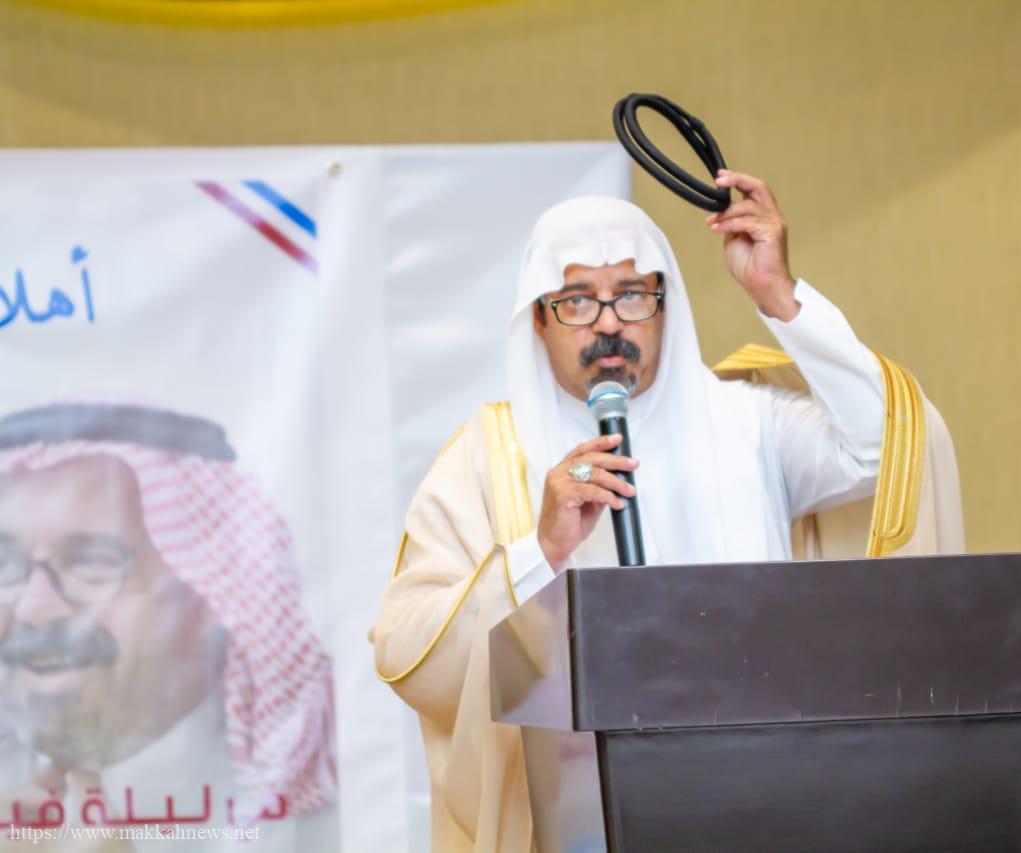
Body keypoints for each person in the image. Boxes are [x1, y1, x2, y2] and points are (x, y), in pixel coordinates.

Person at [371, 170, 962, 852]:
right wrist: (540, 550)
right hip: (582, 823)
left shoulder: (750, 422)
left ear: (664, 303)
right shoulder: (490, 455)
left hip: (768, 800)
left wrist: (778, 294)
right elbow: (407, 651)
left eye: (630, 294)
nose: (608, 323)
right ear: (537, 317)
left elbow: (884, 450)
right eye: (576, 300)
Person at [0, 402, 336, 849]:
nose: (33, 608)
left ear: (210, 588)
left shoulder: (317, 792)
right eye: (5, 563)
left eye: (91, 563)